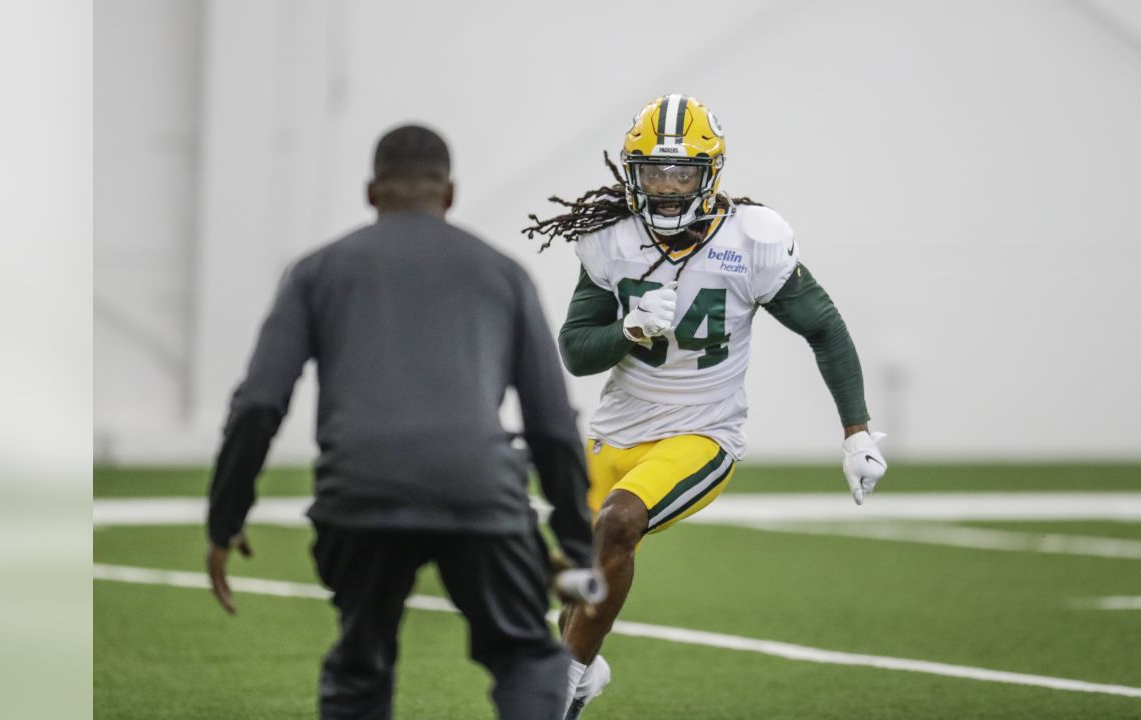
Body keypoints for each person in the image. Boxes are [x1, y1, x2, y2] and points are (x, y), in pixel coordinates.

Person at [205, 124, 596, 720]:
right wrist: (574, 543)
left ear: (371, 193)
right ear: (450, 194)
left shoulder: (315, 271)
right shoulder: (503, 274)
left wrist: (225, 517)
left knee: (360, 664)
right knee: (526, 659)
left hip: (360, 494)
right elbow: (552, 425)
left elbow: (259, 403)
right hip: (478, 491)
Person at [522, 94, 889, 718]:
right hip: (616, 432)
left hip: (702, 431)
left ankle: (563, 686)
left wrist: (857, 431)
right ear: (631, 173)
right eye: (654, 172)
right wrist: (627, 332)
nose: (666, 187)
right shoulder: (610, 238)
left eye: (681, 172)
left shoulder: (752, 238)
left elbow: (822, 326)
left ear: (710, 172)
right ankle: (581, 676)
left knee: (618, 524)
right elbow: (577, 353)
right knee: (574, 577)